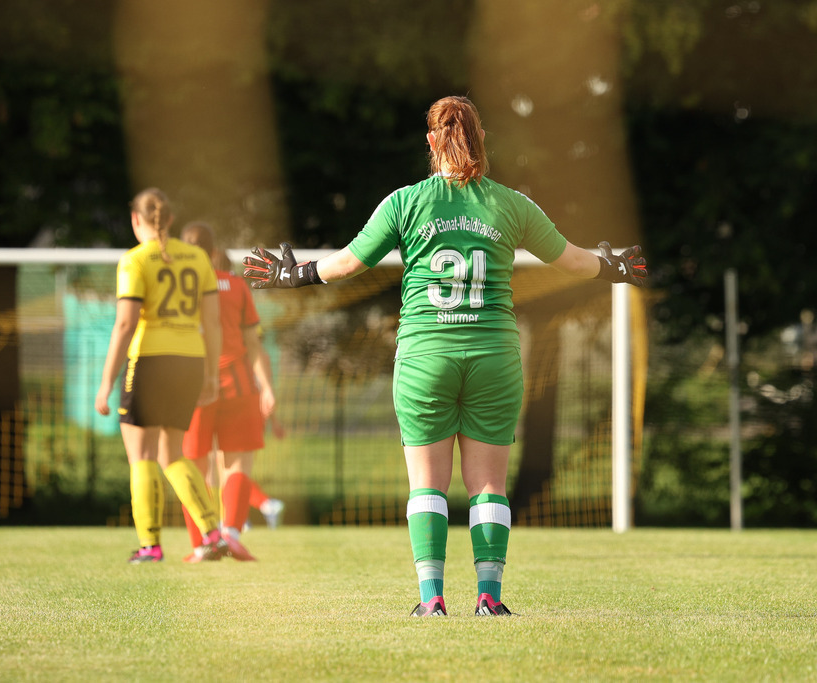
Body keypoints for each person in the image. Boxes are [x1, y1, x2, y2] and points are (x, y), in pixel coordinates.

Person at [243, 95, 647, 617]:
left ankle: (431, 599)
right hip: (493, 357)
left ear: (432, 141)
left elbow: (348, 263)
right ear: (482, 141)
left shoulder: (406, 202)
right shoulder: (511, 204)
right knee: (489, 486)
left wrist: (292, 274)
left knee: (427, 484)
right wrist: (613, 266)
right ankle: (489, 598)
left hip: (424, 356)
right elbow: (570, 261)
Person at [95, 188, 227, 564]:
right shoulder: (198, 257)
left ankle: (150, 545)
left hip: (149, 361)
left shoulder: (135, 260)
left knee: (142, 456)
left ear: (136, 220)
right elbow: (212, 322)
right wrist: (211, 374)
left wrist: (105, 383)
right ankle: (212, 532)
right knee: (173, 454)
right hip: (190, 361)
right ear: (169, 220)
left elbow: (125, 324)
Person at [178, 222, 277, 562]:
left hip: (193, 389)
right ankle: (231, 535)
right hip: (239, 387)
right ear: (213, 250)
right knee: (237, 464)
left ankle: (202, 543)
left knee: (192, 469)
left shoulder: (179, 287)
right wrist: (267, 387)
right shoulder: (236, 285)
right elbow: (254, 344)